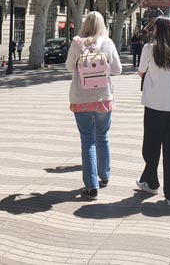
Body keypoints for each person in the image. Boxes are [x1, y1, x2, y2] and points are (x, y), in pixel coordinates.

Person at [65, 12, 122, 200]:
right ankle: (104, 175)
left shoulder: (77, 43)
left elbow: (68, 67)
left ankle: (91, 186)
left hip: (81, 98)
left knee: (87, 140)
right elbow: (117, 70)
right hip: (103, 98)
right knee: (102, 136)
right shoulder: (107, 43)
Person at [137, 17, 170, 207]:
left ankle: (151, 182)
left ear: (157, 28)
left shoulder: (149, 48)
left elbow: (141, 72)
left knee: (150, 147)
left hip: (153, 104)